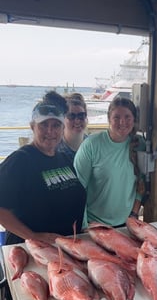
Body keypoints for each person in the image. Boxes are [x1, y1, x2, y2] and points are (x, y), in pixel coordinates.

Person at [0, 90, 87, 245]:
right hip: (32, 250)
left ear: (62, 128)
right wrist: (32, 235)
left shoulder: (64, 158)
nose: (50, 131)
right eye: (44, 125)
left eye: (56, 125)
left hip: (63, 247)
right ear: (33, 127)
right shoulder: (20, 160)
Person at [74, 96, 145, 228]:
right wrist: (84, 226)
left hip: (126, 224)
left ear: (134, 119)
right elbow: (78, 189)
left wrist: (134, 214)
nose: (122, 122)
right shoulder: (91, 145)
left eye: (127, 117)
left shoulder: (140, 144)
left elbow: (141, 183)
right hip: (94, 225)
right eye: (116, 117)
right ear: (109, 119)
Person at [57, 92, 88, 164]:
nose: (77, 121)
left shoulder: (93, 145)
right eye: (71, 116)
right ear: (63, 119)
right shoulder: (55, 149)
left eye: (81, 116)